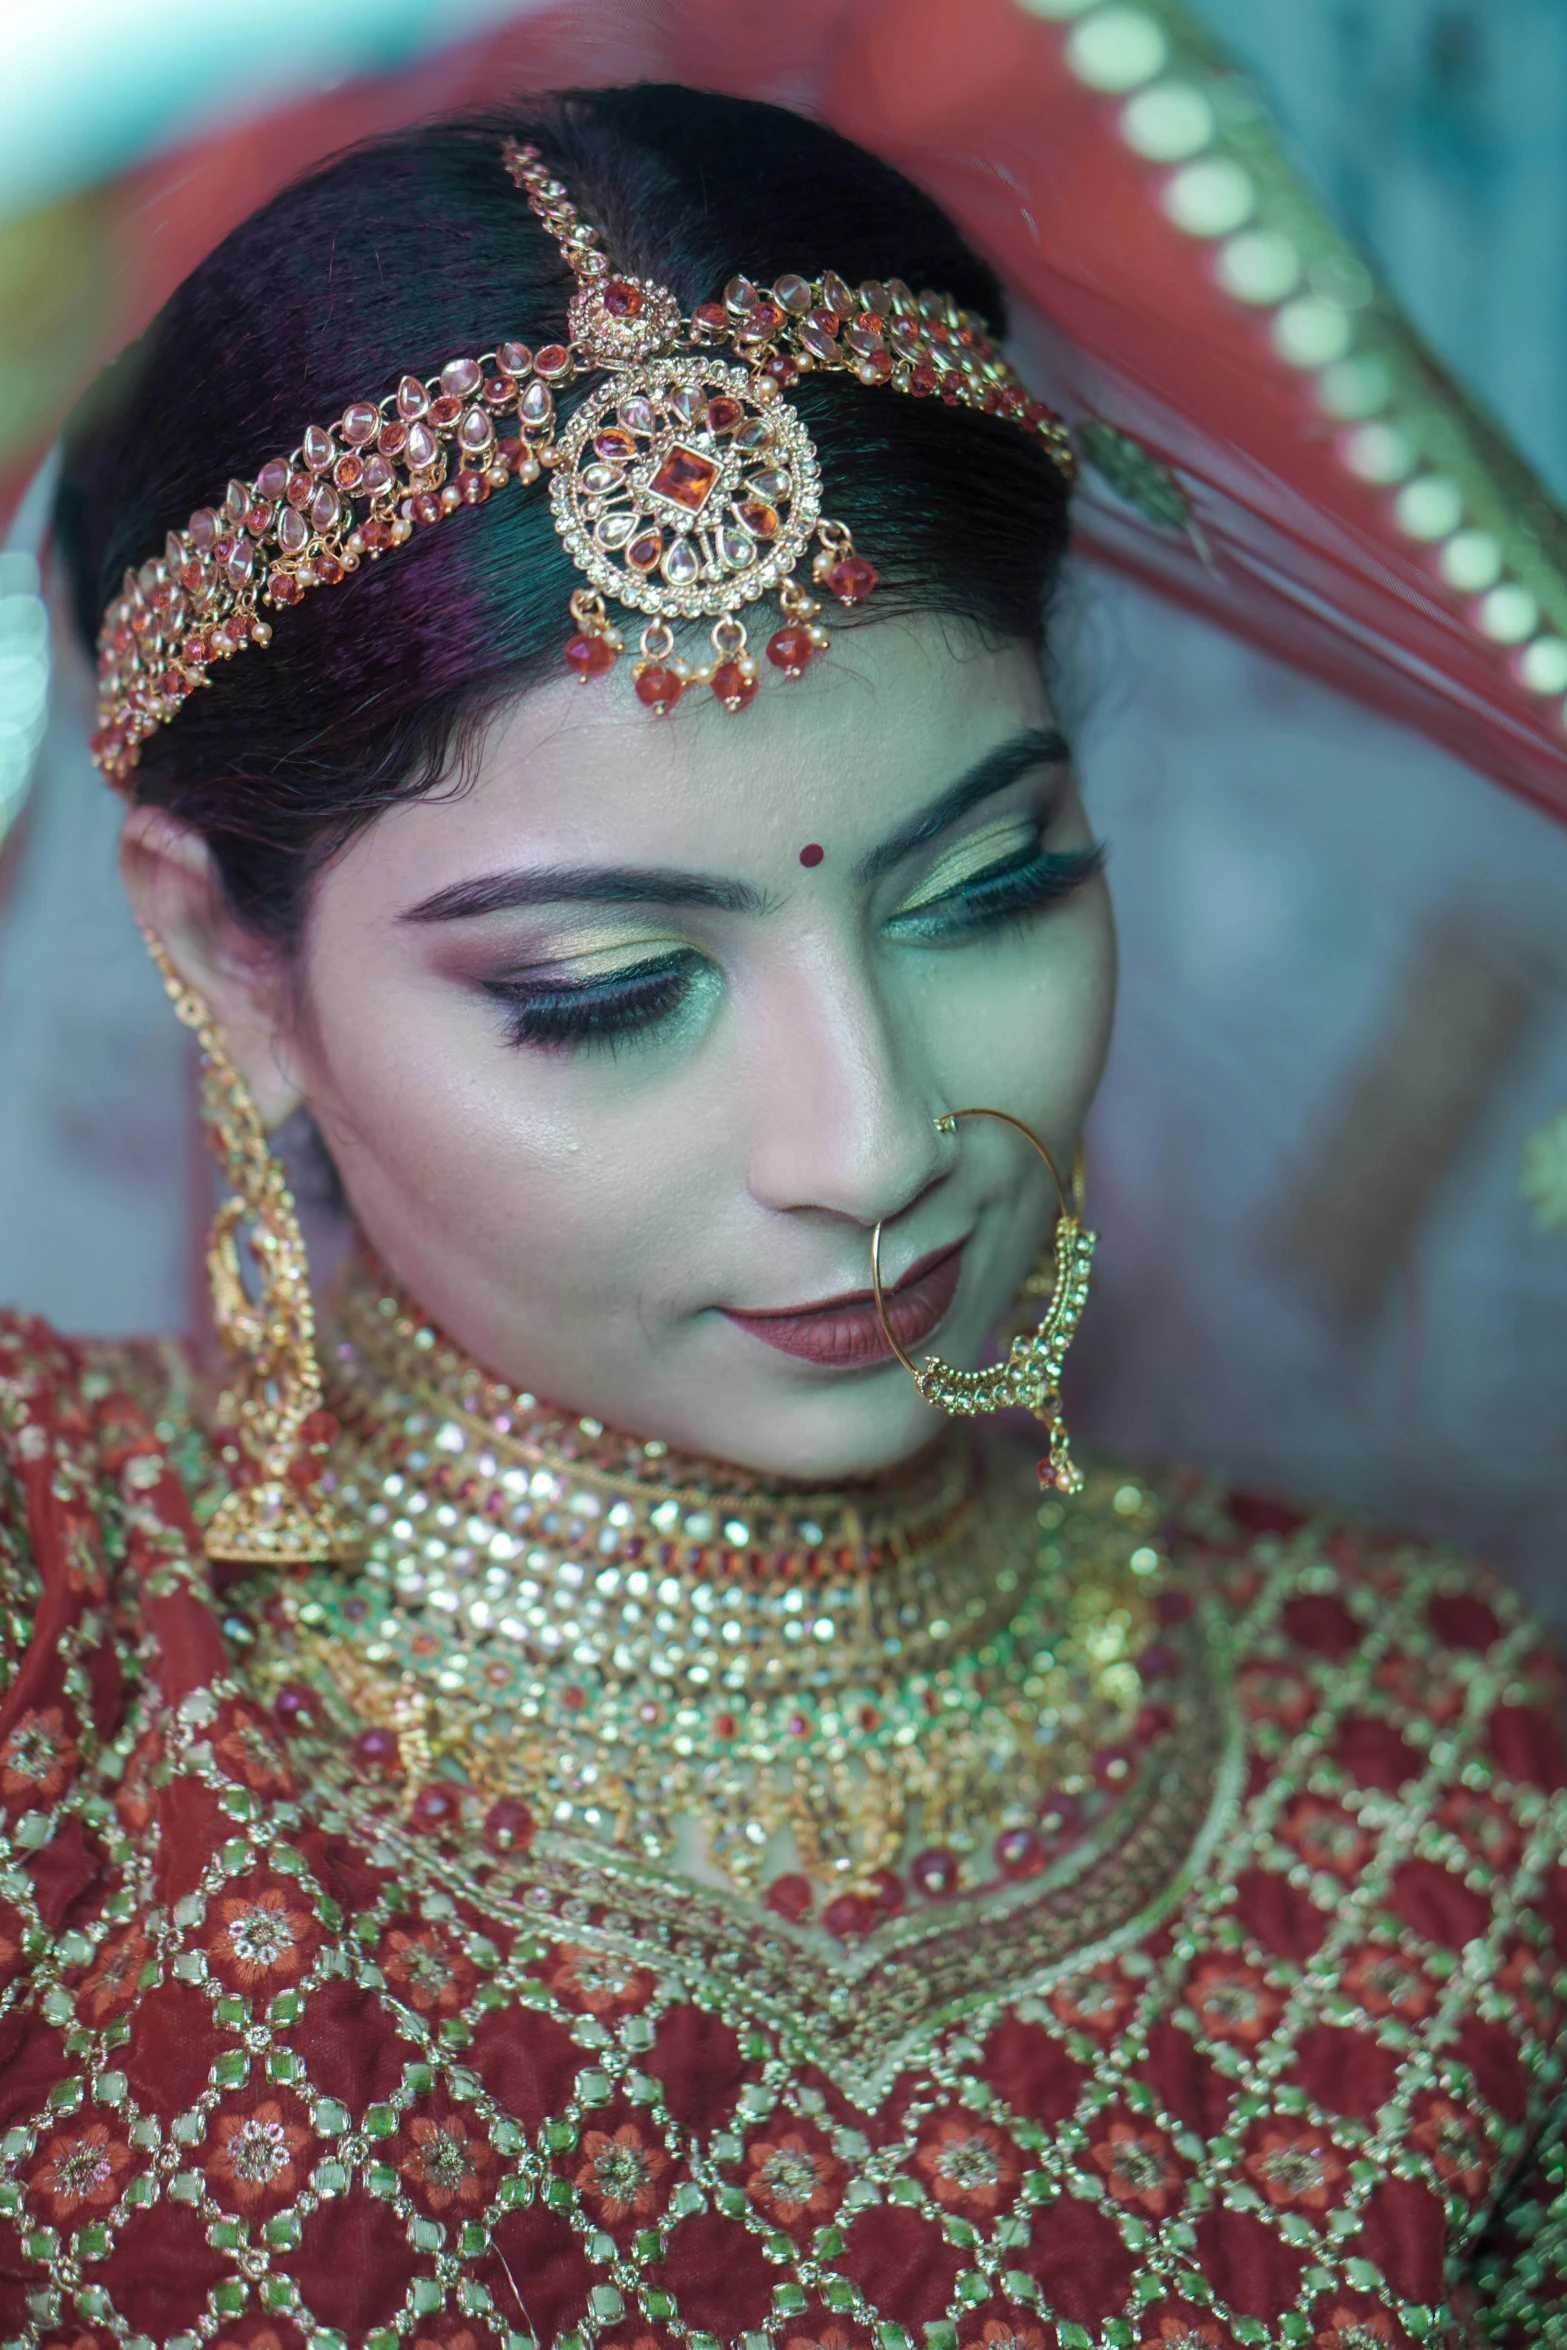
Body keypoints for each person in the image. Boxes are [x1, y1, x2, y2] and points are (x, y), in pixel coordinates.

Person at [1, 82, 1562, 2348]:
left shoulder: (1438, 1770)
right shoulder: (51, 1647)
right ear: (234, 967)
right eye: (605, 992)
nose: (873, 1139)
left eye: (996, 887)